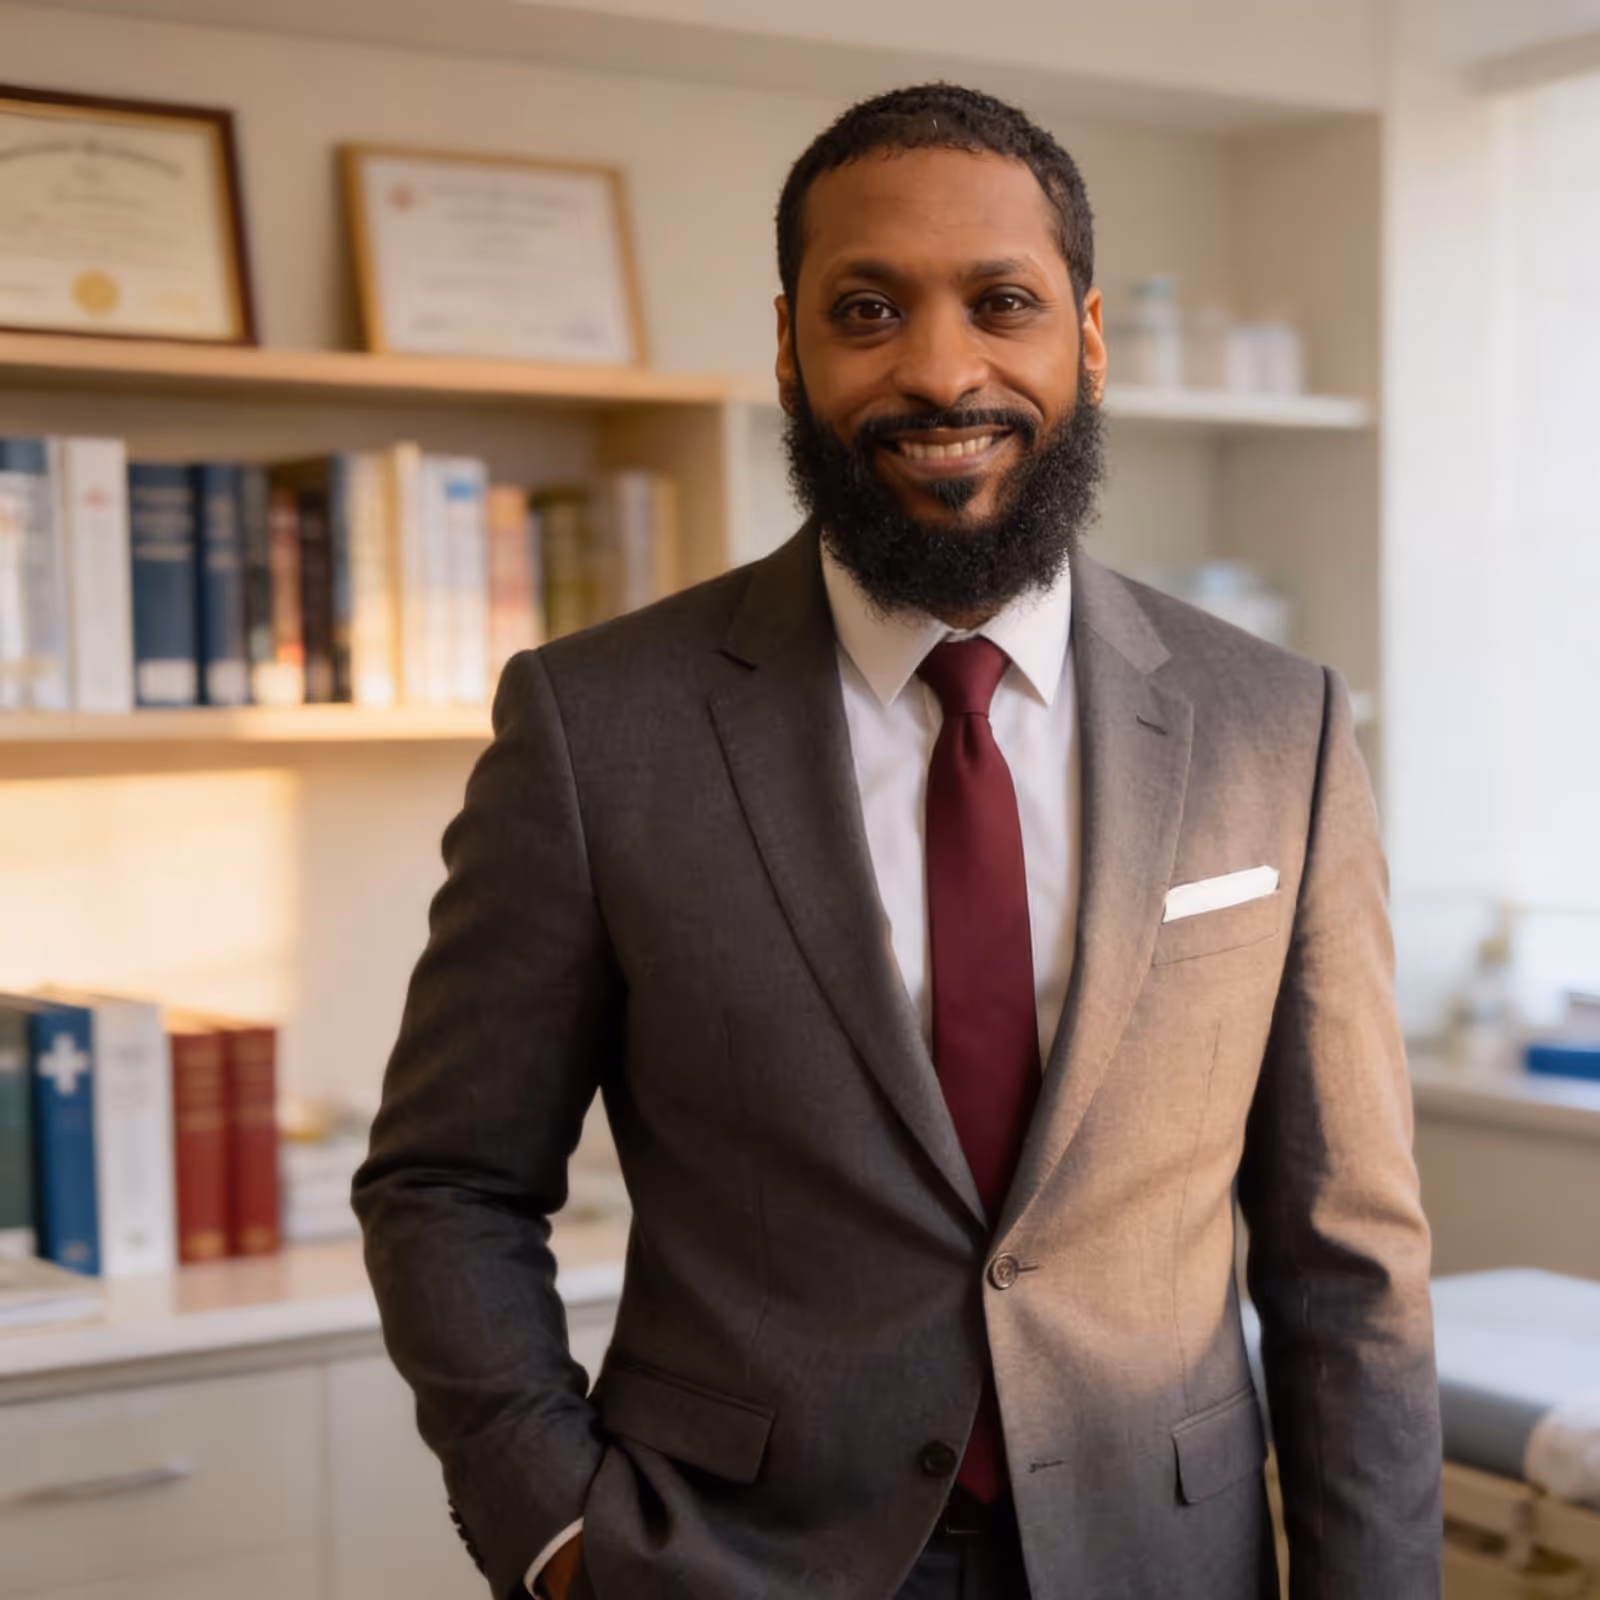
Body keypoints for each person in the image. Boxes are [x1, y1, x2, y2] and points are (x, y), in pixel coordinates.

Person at [353, 83, 1442, 1600]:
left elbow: (1346, 1252)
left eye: (1002, 303)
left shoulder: (1282, 728)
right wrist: (557, 1534)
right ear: (791, 349)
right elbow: (447, 1183)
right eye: (869, 310)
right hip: (723, 1562)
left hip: (1161, 1557)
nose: (941, 370)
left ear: (1091, 337)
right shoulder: (597, 727)